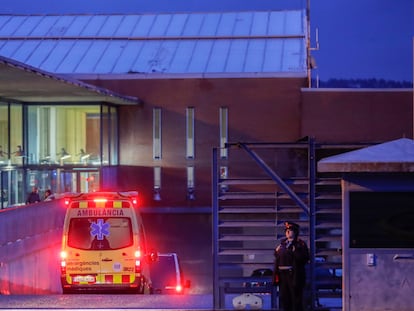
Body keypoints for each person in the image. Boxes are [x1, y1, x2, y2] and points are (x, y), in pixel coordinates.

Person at [274, 221, 310, 311]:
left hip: (294, 275)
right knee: (285, 299)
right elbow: (277, 257)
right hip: (283, 275)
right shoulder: (282, 244)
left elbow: (304, 258)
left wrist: (295, 251)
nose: (288, 232)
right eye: (286, 230)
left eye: (290, 230)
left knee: (296, 299)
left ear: (295, 232)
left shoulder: (300, 244)